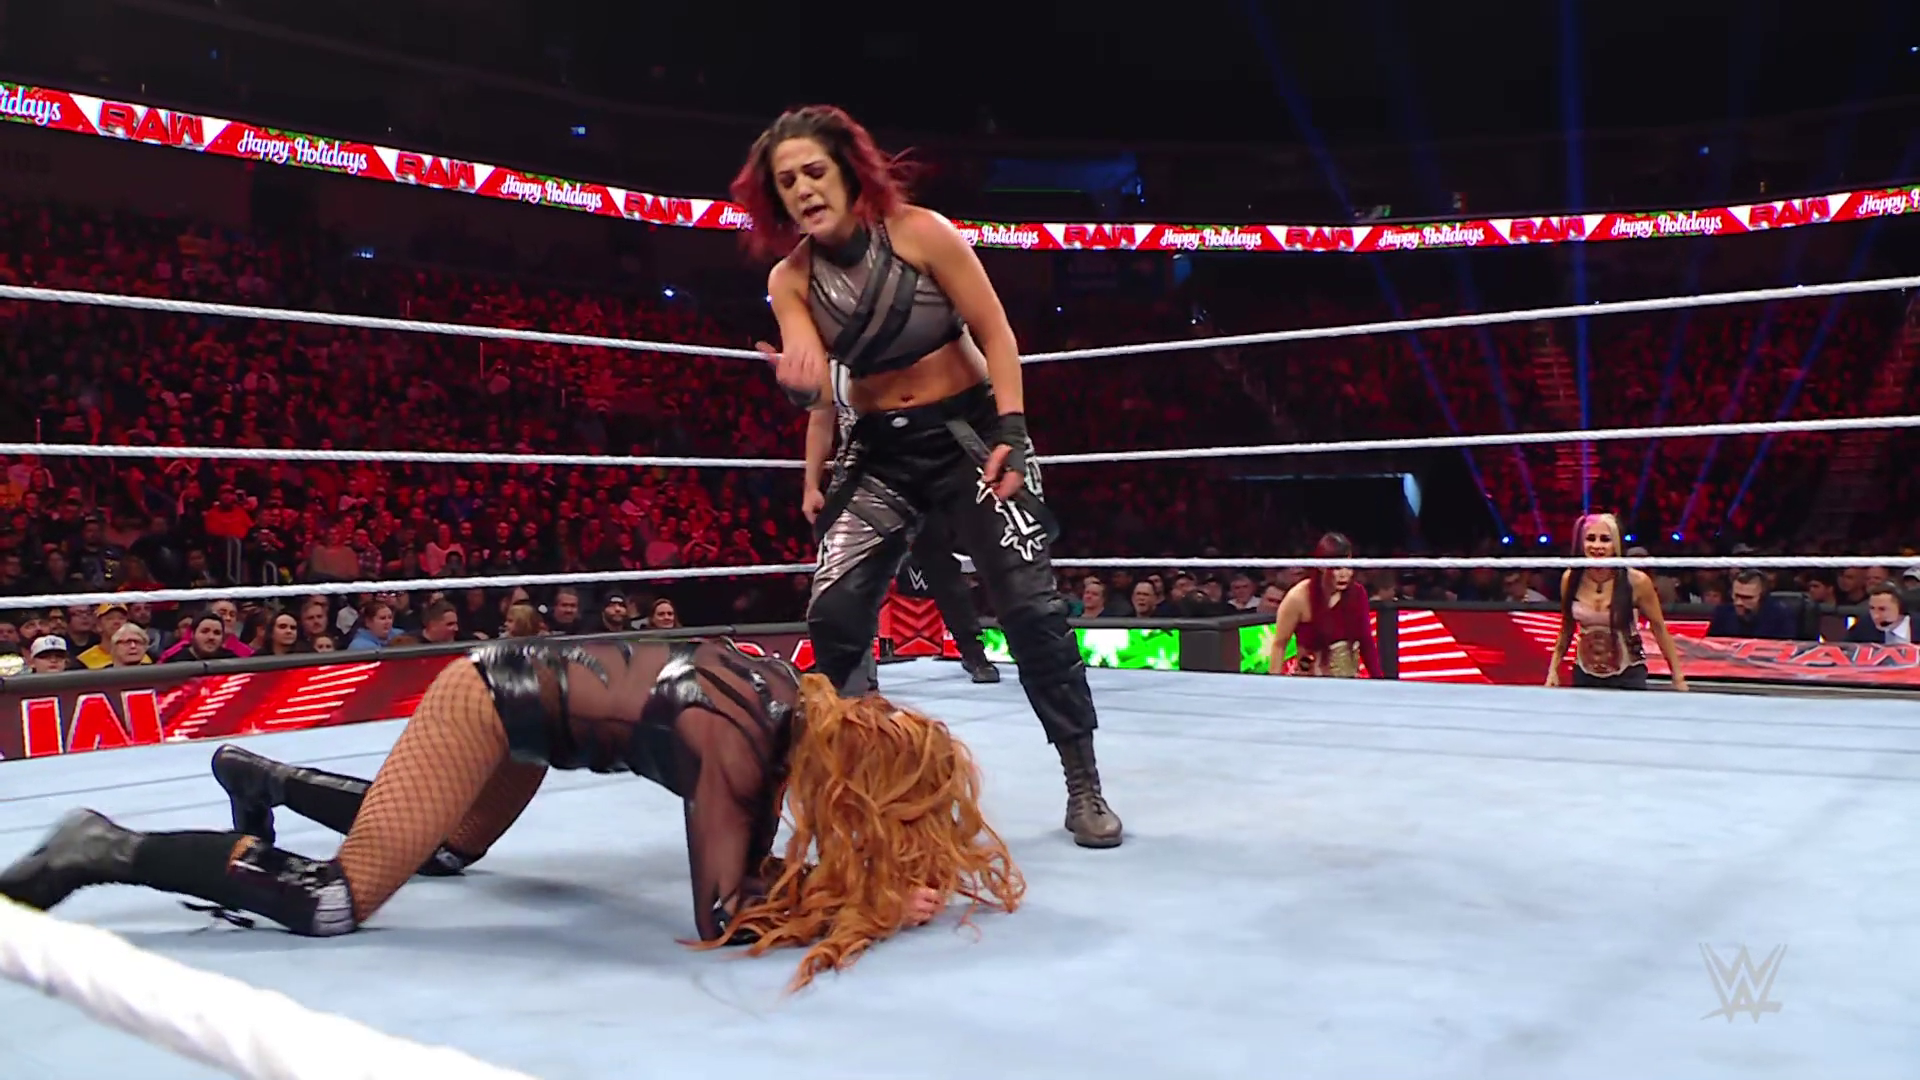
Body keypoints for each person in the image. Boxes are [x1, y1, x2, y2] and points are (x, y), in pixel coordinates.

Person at [0, 638, 1025, 990]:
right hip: (490, 701)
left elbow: (753, 866)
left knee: (445, 848)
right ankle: (104, 846)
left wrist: (854, 882)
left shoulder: (793, 696)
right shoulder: (740, 747)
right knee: (335, 901)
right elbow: (724, 911)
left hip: (539, 715)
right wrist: (869, 904)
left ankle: (260, 776)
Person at [734, 104, 1120, 847]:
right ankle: (864, 780)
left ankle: (1083, 782)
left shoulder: (921, 233)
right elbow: (813, 384)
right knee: (834, 613)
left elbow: (996, 331)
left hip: (968, 437)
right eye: (787, 181)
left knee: (1032, 611)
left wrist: (1013, 431)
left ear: (848, 172)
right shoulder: (791, 281)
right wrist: (797, 385)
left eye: (814, 171)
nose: (804, 189)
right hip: (881, 452)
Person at [803, 354, 1001, 685]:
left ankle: (973, 651)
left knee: (938, 562)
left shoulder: (899, 346)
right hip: (858, 480)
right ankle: (854, 674)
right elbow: (820, 420)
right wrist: (811, 485)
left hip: (914, 470)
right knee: (851, 577)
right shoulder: (831, 359)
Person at [1546, 514, 1689, 691]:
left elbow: (1659, 628)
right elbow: (1566, 628)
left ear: (1616, 544)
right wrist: (1553, 670)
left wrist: (1678, 677)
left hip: (1627, 674)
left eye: (1605, 539)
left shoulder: (1636, 581)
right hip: (1584, 673)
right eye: (1591, 538)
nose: (1597, 546)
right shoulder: (1571, 579)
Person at [1266, 533, 1387, 678]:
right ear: (1321, 567)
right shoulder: (1298, 597)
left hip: (1349, 681)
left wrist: (1379, 680)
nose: (1344, 574)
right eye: (1337, 568)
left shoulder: (1357, 594)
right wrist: (1275, 684)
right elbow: (1279, 644)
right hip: (1311, 681)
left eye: (1348, 567)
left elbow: (1366, 642)